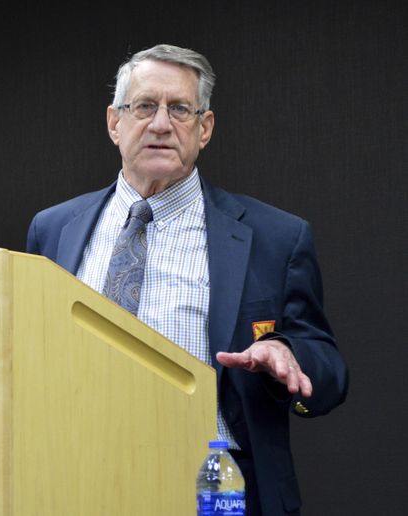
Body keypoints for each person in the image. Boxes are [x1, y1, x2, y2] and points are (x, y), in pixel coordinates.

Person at [25, 44, 348, 516]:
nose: (160, 124)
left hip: (215, 491)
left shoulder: (276, 237)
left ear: (204, 128)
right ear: (115, 122)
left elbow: (330, 373)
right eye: (144, 107)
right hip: (74, 481)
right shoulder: (53, 229)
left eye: (179, 109)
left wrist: (288, 353)